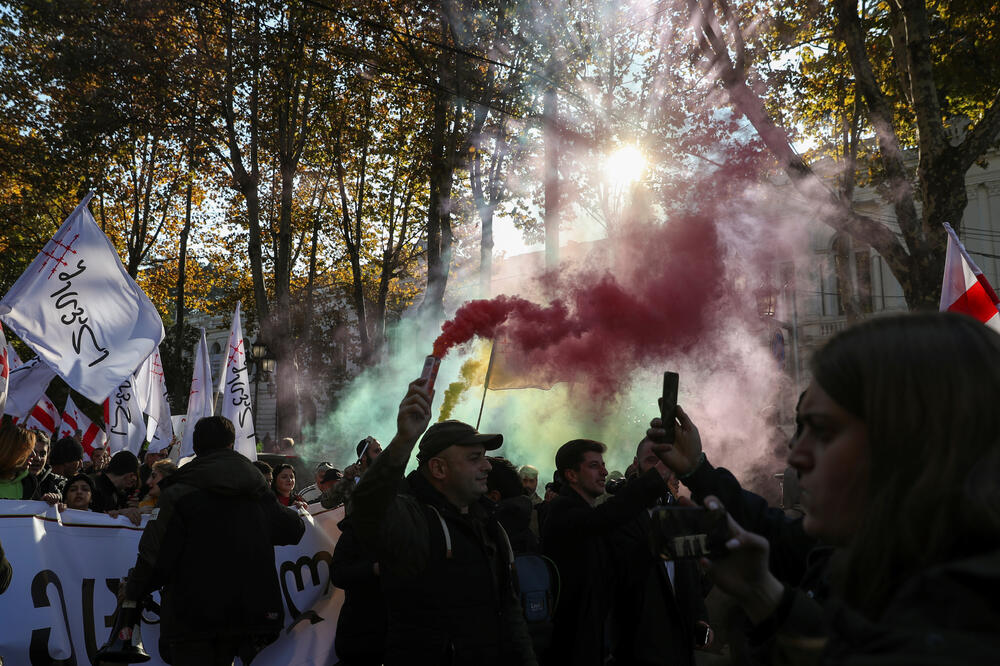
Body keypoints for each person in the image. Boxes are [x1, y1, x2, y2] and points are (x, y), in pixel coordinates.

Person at [689, 312, 1000, 664]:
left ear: (910, 441)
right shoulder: (884, 586)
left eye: (823, 431)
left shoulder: (955, 637)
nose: (797, 456)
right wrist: (761, 593)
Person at [350, 381, 537, 666]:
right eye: (474, 458)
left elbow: (509, 612)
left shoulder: (490, 524)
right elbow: (368, 508)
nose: (487, 466)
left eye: (485, 458)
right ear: (438, 468)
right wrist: (403, 442)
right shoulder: (414, 521)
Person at [121, 415, 306, 665]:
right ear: (231, 444)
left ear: (196, 448)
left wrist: (133, 590)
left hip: (193, 615)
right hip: (250, 613)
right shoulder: (256, 488)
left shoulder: (177, 492)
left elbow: (154, 554)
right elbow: (293, 529)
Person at [542, 438, 674, 666]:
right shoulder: (562, 510)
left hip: (593, 640)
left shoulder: (586, 515)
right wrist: (660, 473)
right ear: (571, 475)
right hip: (569, 643)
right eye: (594, 466)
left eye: (603, 465)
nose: (604, 472)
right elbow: (606, 516)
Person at [608, 437, 712, 666]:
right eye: (652, 461)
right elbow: (623, 575)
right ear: (636, 464)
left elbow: (692, 581)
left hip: (681, 649)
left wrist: (701, 620)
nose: (661, 469)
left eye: (666, 462)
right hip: (638, 649)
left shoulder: (679, 514)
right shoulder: (617, 514)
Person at [90, 450, 140, 516]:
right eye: (133, 480)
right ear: (130, 475)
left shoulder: (119, 494)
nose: (131, 485)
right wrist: (119, 513)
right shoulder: (89, 485)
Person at [0, 421, 37, 499]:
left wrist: (45, 505)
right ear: (10, 449)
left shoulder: (29, 482)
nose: (34, 455)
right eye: (28, 449)